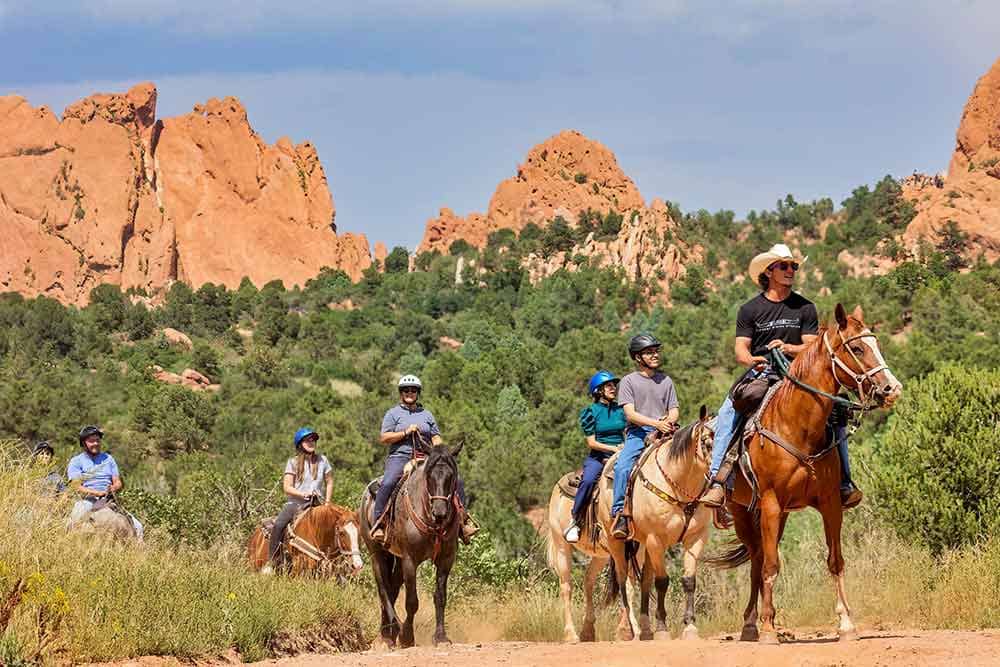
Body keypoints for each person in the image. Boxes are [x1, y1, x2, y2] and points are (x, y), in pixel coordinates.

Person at [700, 243, 862, 509]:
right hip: (762, 371)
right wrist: (752, 359)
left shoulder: (805, 307)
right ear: (769, 271)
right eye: (784, 266)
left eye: (793, 266)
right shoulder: (750, 309)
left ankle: (844, 482)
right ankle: (719, 481)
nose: (791, 270)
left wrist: (788, 348)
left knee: (836, 412)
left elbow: (811, 345)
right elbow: (741, 348)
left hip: (798, 374)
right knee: (730, 411)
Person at [370, 374, 477, 543]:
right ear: (401, 392)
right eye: (406, 390)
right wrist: (405, 432)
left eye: (413, 390)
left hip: (427, 456)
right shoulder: (393, 414)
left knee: (457, 480)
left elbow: (435, 436)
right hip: (400, 456)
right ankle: (379, 524)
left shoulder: (427, 414)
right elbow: (384, 438)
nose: (409, 393)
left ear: (418, 392)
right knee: (389, 482)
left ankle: (463, 522)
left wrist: (441, 450)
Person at [610, 335, 680, 539]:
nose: (655, 355)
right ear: (638, 357)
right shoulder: (628, 381)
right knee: (622, 466)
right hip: (638, 433)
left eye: (656, 351)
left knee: (696, 453)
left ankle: (709, 505)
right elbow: (630, 414)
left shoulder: (666, 380)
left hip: (666, 430)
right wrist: (655, 423)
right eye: (649, 352)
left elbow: (674, 409)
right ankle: (619, 513)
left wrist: (668, 421)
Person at [565, 370, 626, 544]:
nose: (613, 388)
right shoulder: (591, 412)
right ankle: (575, 520)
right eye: (609, 385)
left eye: (614, 385)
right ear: (598, 390)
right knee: (588, 481)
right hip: (599, 456)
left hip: (622, 453)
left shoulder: (621, 409)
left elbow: (628, 430)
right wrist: (613, 448)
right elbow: (591, 442)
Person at [262, 427, 333, 575]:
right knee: (279, 525)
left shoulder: (323, 460)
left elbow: (330, 482)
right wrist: (302, 494)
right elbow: (287, 487)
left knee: (336, 527)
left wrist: (327, 503)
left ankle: (337, 567)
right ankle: (272, 562)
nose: (312, 442)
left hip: (317, 504)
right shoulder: (292, 462)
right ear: (300, 443)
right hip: (296, 504)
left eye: (313, 439)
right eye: (308, 440)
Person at [66, 426, 143, 537]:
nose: (95, 443)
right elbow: (76, 485)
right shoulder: (76, 461)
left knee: (138, 527)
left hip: (108, 499)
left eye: (97, 440)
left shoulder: (108, 459)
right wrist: (96, 492)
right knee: (74, 520)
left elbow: (118, 482)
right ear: (83, 443)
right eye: (91, 441)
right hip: (88, 500)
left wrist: (113, 488)